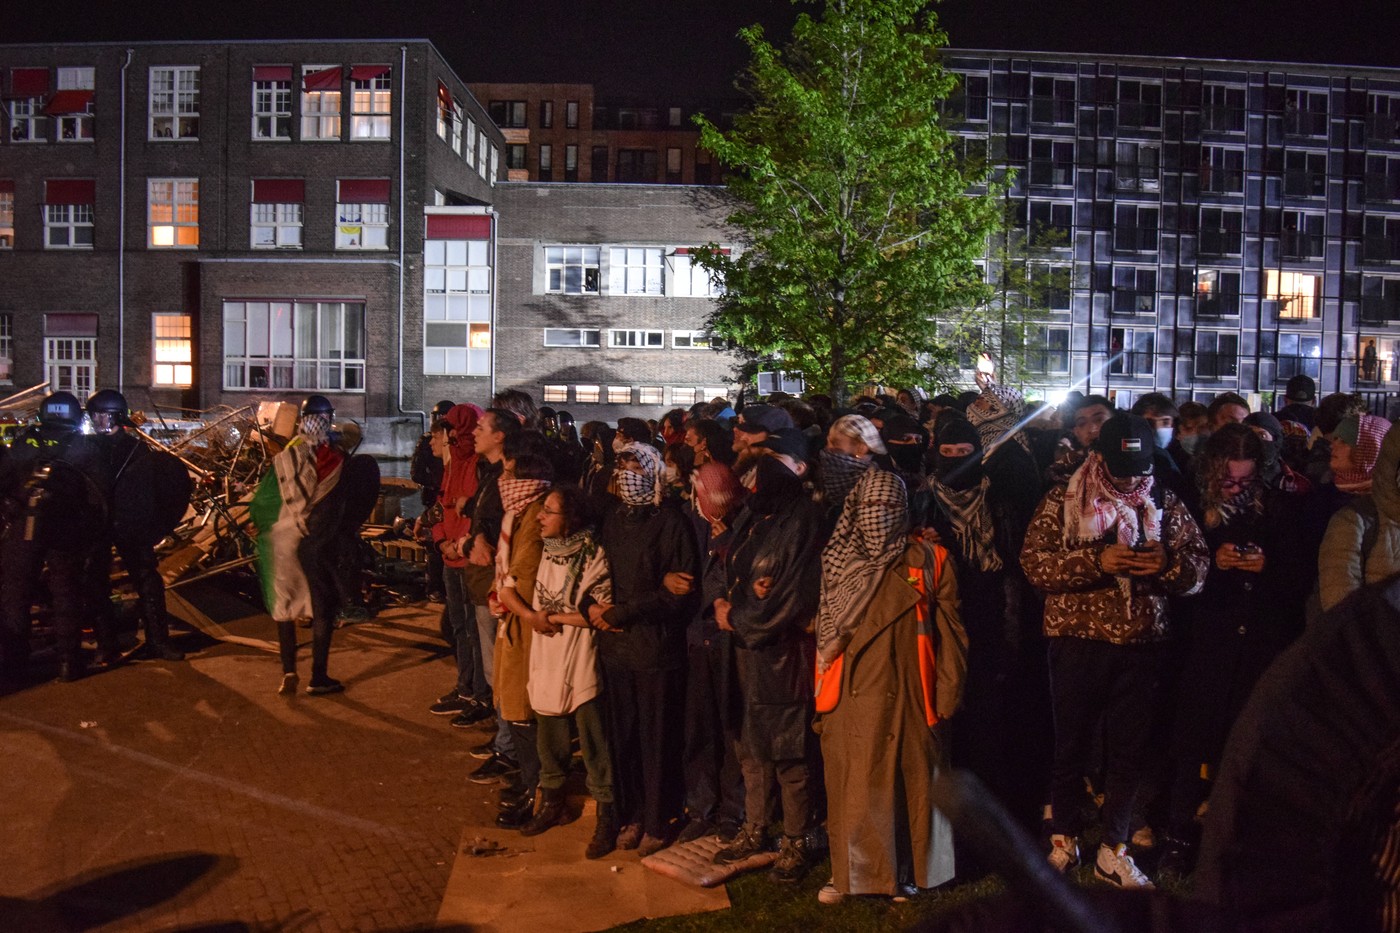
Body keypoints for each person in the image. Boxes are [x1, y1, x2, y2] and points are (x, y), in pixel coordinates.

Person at [1021, 414, 1209, 889]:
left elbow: (1198, 568)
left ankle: (1114, 848)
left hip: (1143, 642)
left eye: (1139, 467)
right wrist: (1095, 561)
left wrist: (1166, 565)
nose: (1130, 478)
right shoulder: (1064, 501)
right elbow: (1034, 564)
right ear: (1099, 456)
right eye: (1121, 467)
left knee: (1129, 753)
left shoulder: (1164, 501)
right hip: (1077, 640)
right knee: (1071, 747)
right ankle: (1063, 839)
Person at [814, 453, 967, 904]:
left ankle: (911, 872)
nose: (877, 519)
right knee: (856, 787)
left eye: (886, 509)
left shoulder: (930, 559)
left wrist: (947, 692)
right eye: (868, 509)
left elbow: (952, 635)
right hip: (849, 695)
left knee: (913, 786)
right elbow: (825, 631)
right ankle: (853, 875)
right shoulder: (838, 564)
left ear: (902, 510)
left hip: (912, 692)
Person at [1160, 424, 1312, 875]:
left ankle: (1240, 839)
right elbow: (1175, 571)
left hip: (1259, 641)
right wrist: (1214, 561)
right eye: (1229, 481)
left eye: (1246, 481)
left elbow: (1300, 573)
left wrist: (1270, 565)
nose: (1237, 488)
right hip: (1206, 640)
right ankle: (1179, 835)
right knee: (1192, 741)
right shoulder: (1190, 506)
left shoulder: (1281, 509)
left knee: (1247, 742)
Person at [712, 427, 825, 884]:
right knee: (750, 746)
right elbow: (732, 570)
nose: (752, 487)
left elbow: (792, 596)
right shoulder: (755, 518)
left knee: (789, 752)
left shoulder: (801, 522)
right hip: (744, 651)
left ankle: (797, 838)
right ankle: (756, 826)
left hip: (781, 656)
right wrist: (728, 604)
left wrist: (740, 616)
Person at [586, 441, 700, 855]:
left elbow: (680, 590)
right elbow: (595, 571)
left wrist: (625, 611)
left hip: (655, 650)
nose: (625, 471)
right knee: (625, 737)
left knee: (657, 738)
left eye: (634, 463)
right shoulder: (614, 519)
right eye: (622, 464)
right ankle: (631, 815)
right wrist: (594, 607)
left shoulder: (671, 522)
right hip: (616, 650)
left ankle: (657, 817)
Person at [523, 485, 618, 859]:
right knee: (549, 725)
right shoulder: (543, 551)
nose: (540, 517)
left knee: (593, 734)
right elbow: (514, 586)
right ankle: (553, 800)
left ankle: (607, 812)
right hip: (546, 649)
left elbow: (599, 610)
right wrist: (533, 616)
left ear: (572, 518)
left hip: (579, 651)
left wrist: (550, 617)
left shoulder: (593, 553)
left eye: (549, 511)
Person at [0, 392, 113, 682]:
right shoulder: (83, 447)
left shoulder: (25, 442)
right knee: (66, 594)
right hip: (66, 530)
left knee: (16, 594)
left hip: (26, 527)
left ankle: (16, 665)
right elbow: (99, 495)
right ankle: (69, 663)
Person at [250, 394, 347, 695]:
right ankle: (318, 676)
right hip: (312, 541)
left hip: (281, 538)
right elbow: (339, 507)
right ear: (328, 420)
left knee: (285, 606)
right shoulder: (334, 458)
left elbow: (265, 497)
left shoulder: (287, 454)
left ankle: (288, 671)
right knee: (321, 608)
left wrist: (264, 523)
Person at [87, 389, 192, 661]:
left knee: (146, 580)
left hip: (130, 523)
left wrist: (147, 524)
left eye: (101, 416)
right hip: (98, 523)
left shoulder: (134, 448)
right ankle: (106, 645)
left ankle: (158, 641)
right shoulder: (89, 447)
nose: (97, 421)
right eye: (94, 416)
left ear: (114, 417)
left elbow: (148, 490)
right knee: (96, 583)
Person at [678, 461, 749, 844]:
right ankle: (701, 807)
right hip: (697, 638)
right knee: (699, 728)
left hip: (727, 641)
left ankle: (732, 811)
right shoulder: (689, 522)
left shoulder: (743, 527)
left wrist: (726, 546)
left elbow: (736, 583)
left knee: (730, 728)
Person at [486, 443, 553, 828]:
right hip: (514, 618)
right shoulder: (522, 513)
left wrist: (505, 594)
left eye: (509, 474)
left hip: (525, 626)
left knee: (523, 709)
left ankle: (537, 790)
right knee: (516, 706)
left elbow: (524, 572)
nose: (503, 481)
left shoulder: (534, 517)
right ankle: (531, 784)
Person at [428, 405, 493, 726]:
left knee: (474, 630)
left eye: (454, 429)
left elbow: (481, 514)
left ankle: (480, 692)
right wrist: (441, 540)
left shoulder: (477, 466)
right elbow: (443, 504)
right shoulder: (453, 463)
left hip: (467, 558)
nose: (449, 436)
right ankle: (466, 685)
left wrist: (458, 542)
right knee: (459, 628)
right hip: (450, 556)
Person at [1318, 420, 1400, 612]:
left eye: (1345, 441)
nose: (1334, 445)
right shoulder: (1353, 518)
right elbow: (1340, 609)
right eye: (1335, 439)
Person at [411, 400, 454, 600]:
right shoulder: (427, 443)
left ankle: (445, 587)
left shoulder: (456, 448)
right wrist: (437, 484)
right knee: (434, 543)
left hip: (446, 497)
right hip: (434, 498)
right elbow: (416, 473)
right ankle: (434, 587)